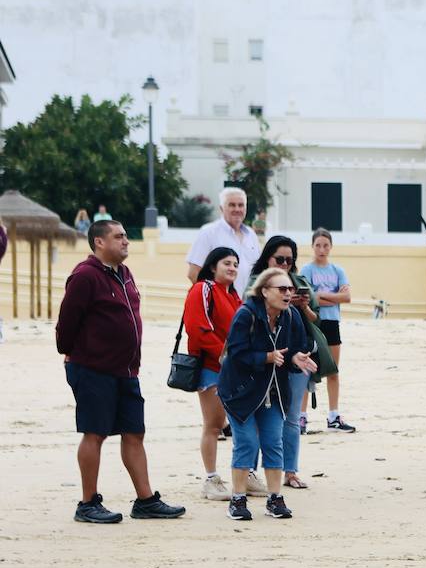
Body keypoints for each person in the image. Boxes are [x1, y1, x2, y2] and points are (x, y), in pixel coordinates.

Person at [56, 219, 186, 524]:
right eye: (118, 236)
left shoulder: (125, 274)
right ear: (99, 242)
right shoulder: (85, 275)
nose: (126, 241)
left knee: (134, 433)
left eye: (126, 236)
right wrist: (73, 354)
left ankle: (145, 501)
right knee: (95, 432)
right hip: (92, 369)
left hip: (127, 371)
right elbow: (66, 323)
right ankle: (87, 503)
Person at [217, 266, 318, 521]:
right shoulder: (246, 314)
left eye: (290, 289)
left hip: (273, 392)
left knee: (274, 442)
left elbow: (294, 347)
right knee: (247, 443)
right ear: (264, 291)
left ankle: (275, 499)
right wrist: (267, 357)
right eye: (282, 289)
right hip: (240, 391)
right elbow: (236, 353)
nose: (288, 294)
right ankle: (238, 499)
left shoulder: (291, 315)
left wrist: (295, 357)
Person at [247, 237, 332, 490]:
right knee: (258, 414)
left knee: (292, 417)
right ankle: (250, 472)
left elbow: (315, 319)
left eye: (289, 260)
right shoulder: (256, 284)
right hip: (265, 357)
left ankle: (290, 471)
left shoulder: (300, 283)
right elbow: (249, 313)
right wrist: (279, 301)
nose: (284, 264)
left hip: (298, 354)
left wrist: (302, 306)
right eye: (279, 259)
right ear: (267, 259)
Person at [182, 245, 243, 501]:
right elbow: (198, 329)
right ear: (212, 266)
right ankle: (211, 479)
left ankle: (245, 475)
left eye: (235, 264)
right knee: (214, 424)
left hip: (235, 369)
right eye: (227, 263)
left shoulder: (234, 295)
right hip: (211, 368)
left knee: (243, 424)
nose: (232, 268)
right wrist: (226, 356)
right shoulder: (202, 289)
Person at [299, 228, 354, 433]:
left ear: (331, 247)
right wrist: (332, 296)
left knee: (333, 370)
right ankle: (301, 417)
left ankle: (333, 416)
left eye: (325, 245)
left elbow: (346, 297)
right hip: (313, 323)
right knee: (307, 371)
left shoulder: (338, 270)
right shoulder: (307, 270)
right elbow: (308, 298)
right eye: (318, 245)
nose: (322, 249)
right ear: (312, 247)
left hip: (332, 323)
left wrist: (322, 296)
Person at [186, 188, 260, 298]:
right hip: (219, 304)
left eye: (241, 205)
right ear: (221, 208)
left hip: (247, 304)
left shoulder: (251, 235)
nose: (237, 209)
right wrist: (216, 299)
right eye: (232, 205)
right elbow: (193, 273)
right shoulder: (208, 232)